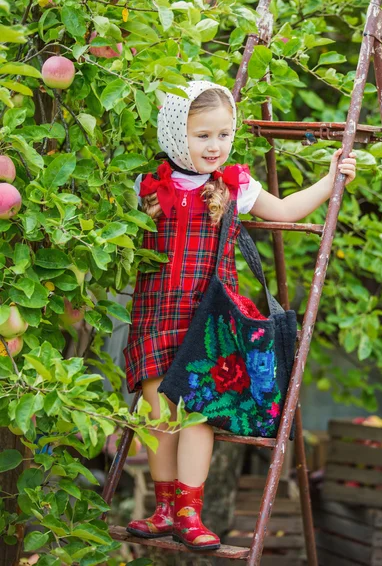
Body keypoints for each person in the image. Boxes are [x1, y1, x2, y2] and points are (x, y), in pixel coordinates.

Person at [124, 80, 356, 550]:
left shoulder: (233, 185)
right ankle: (164, 507)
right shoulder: (146, 187)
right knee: (159, 415)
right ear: (175, 134)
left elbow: (287, 211)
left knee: (199, 413)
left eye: (224, 135)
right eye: (202, 135)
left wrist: (331, 180)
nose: (216, 146)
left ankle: (190, 510)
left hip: (210, 320)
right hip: (156, 314)